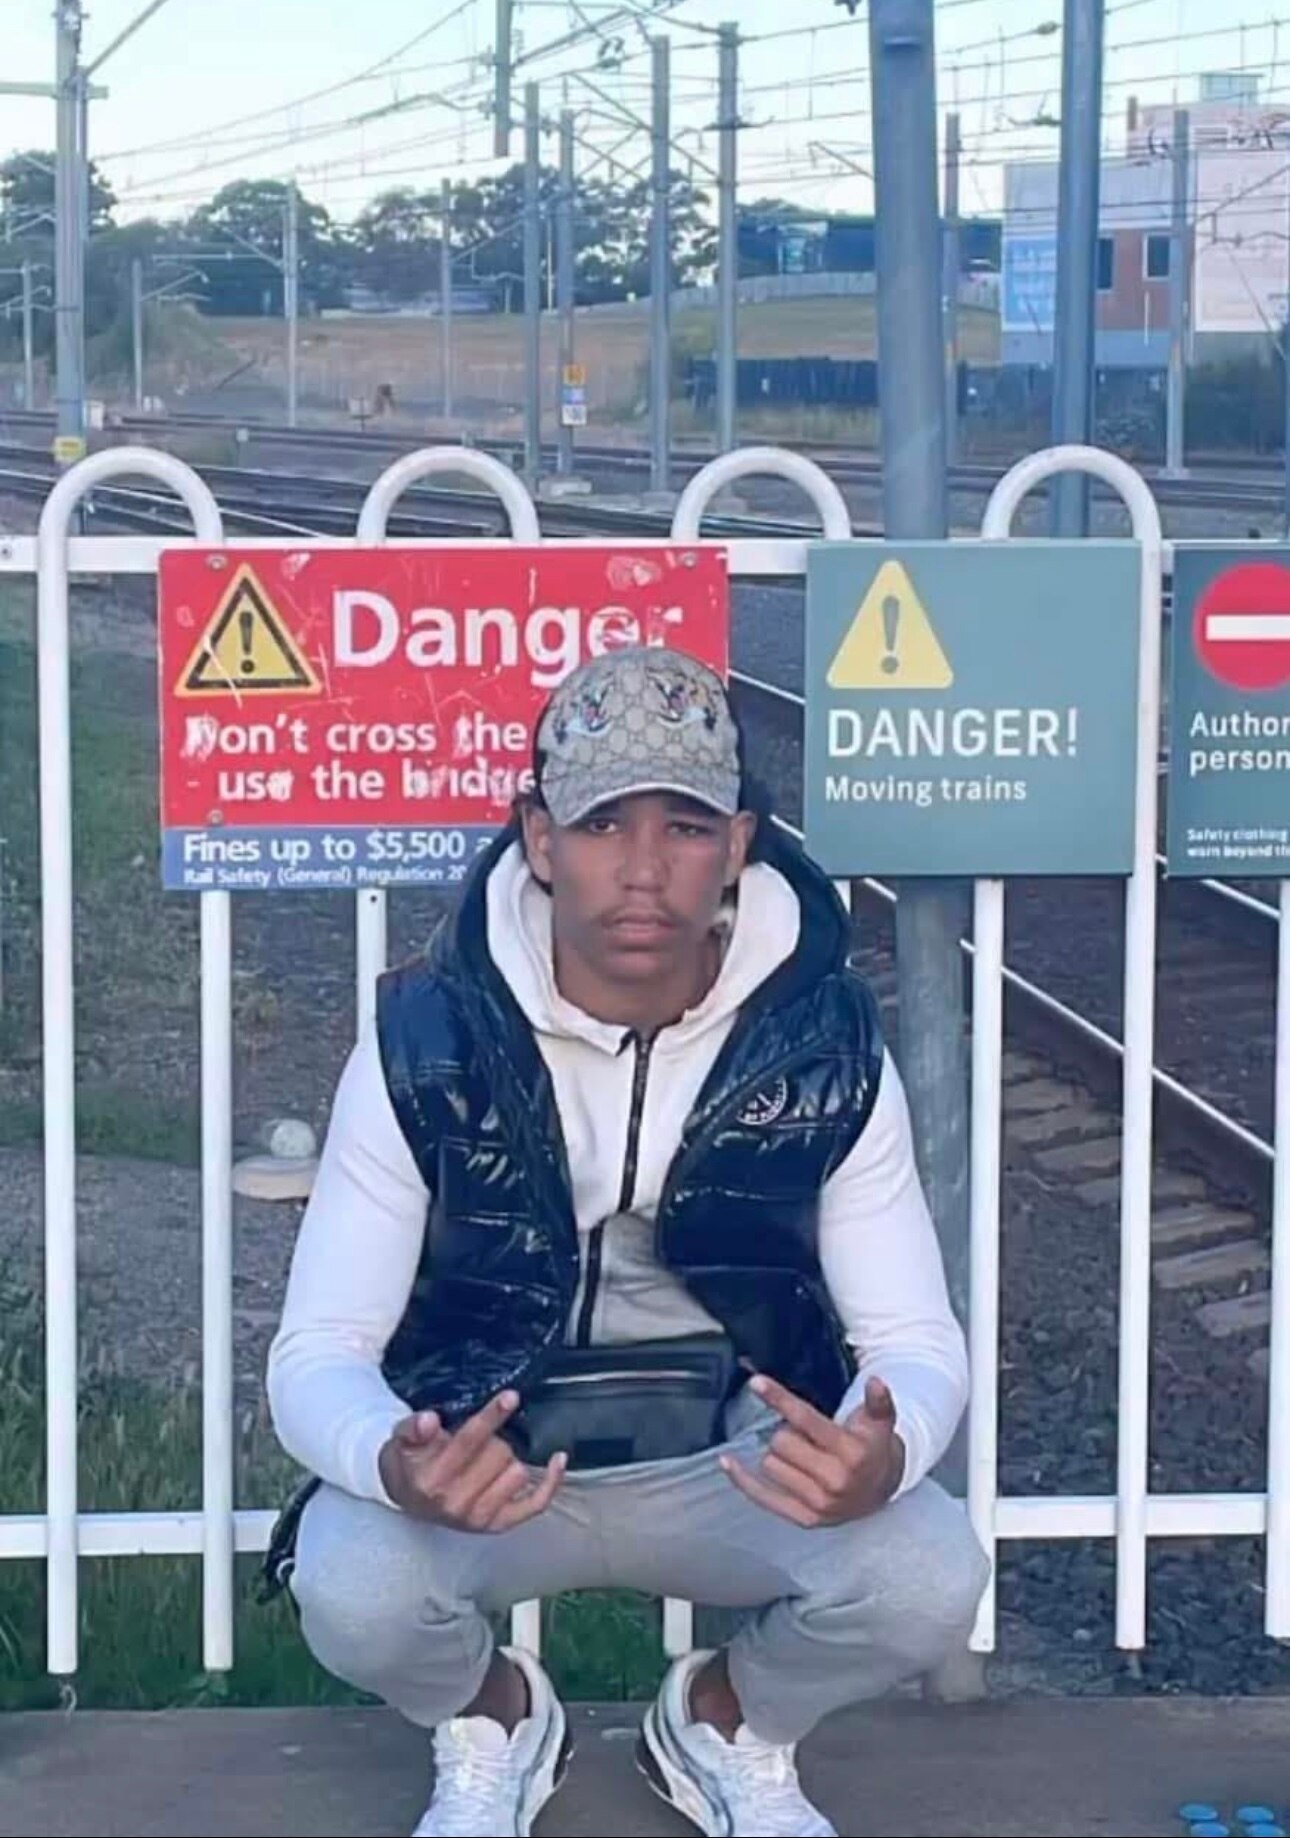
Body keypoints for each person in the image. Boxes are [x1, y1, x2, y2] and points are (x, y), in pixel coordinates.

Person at [264, 645, 988, 1838]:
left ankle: (726, 1719)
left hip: (728, 1454)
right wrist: (395, 1460)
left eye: (688, 825)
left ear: (740, 843)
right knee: (351, 1578)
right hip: (491, 1461)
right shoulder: (423, 1039)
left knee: (928, 1570)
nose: (644, 870)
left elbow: (911, 1334)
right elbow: (317, 1349)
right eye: (604, 824)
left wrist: (889, 1443)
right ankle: (494, 1716)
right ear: (540, 842)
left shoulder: (828, 1043)